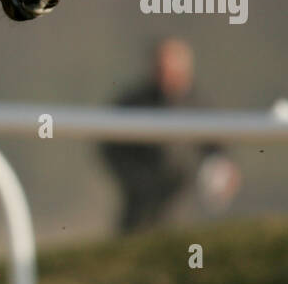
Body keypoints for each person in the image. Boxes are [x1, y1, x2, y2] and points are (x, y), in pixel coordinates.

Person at [99, 38, 240, 233]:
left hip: (185, 206)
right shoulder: (134, 104)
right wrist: (136, 179)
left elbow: (220, 153)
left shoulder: (200, 108)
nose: (166, 76)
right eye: (161, 69)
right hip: (139, 207)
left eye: (172, 70)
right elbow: (108, 147)